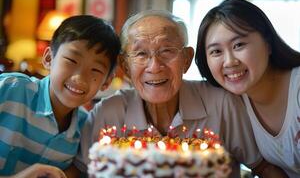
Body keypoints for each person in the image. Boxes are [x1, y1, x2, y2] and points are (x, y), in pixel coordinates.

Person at [75, 10, 286, 177]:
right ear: (125, 66)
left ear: (186, 59)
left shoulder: (221, 103)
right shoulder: (108, 113)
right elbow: (79, 172)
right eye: (141, 53)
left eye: (167, 51)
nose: (155, 66)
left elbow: (263, 167)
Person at [0, 15, 121, 177]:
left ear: (106, 82)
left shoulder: (85, 128)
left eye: (96, 70)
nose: (79, 78)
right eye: (71, 60)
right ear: (49, 58)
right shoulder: (9, 89)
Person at [195, 0, 300, 177]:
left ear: (267, 43)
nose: (229, 62)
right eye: (216, 51)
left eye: (239, 45)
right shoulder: (232, 102)